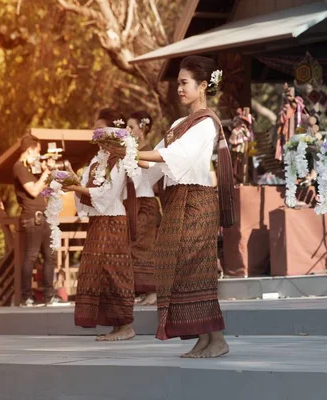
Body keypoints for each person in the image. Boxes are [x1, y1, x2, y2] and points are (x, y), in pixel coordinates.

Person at [105, 56, 235, 358]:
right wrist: (125, 155)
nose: (179, 88)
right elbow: (154, 167)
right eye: (177, 83)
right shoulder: (179, 124)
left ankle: (217, 339)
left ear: (203, 86)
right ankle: (204, 337)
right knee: (179, 269)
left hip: (197, 201)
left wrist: (134, 150)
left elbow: (176, 155)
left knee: (196, 269)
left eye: (184, 82)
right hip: (177, 202)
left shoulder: (205, 123)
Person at [64, 108, 136, 341]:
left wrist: (76, 186)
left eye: (99, 128)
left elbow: (107, 194)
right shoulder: (97, 159)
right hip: (98, 221)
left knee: (114, 271)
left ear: (111, 131)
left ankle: (125, 325)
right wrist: (71, 180)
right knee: (98, 271)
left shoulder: (119, 158)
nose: (94, 132)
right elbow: (85, 188)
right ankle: (115, 325)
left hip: (113, 219)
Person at [12, 132, 57, 307]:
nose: (39, 155)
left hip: (43, 215)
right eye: (37, 151)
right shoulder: (19, 167)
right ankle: (26, 297)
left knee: (50, 256)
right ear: (30, 149)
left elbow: (45, 190)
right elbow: (33, 190)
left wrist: (47, 170)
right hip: (32, 217)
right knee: (31, 256)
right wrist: (47, 171)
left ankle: (49, 296)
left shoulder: (31, 168)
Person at [126, 110, 160, 306]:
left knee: (144, 245)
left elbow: (153, 179)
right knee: (135, 245)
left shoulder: (148, 150)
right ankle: (141, 288)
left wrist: (131, 158)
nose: (128, 131)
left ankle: (152, 289)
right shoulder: (131, 151)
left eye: (131, 127)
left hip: (146, 201)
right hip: (133, 201)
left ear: (143, 128)